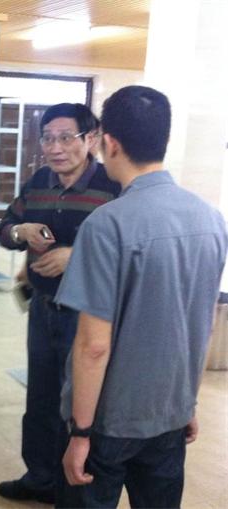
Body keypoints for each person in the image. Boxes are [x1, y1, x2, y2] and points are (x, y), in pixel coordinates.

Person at [55, 85, 228, 508]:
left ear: (109, 143)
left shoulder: (107, 224)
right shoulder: (212, 220)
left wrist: (80, 433)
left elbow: (93, 346)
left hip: (109, 421)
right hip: (170, 414)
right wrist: (186, 403)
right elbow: (199, 324)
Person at [0, 103, 121, 504]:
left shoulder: (112, 186)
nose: (55, 147)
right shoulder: (38, 182)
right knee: (40, 400)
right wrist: (21, 231)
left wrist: (76, 255)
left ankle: (74, 489)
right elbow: (4, 228)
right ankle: (40, 478)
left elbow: (126, 250)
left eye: (66, 137)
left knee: (81, 404)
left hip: (88, 317)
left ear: (91, 139)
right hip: (43, 309)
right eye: (48, 138)